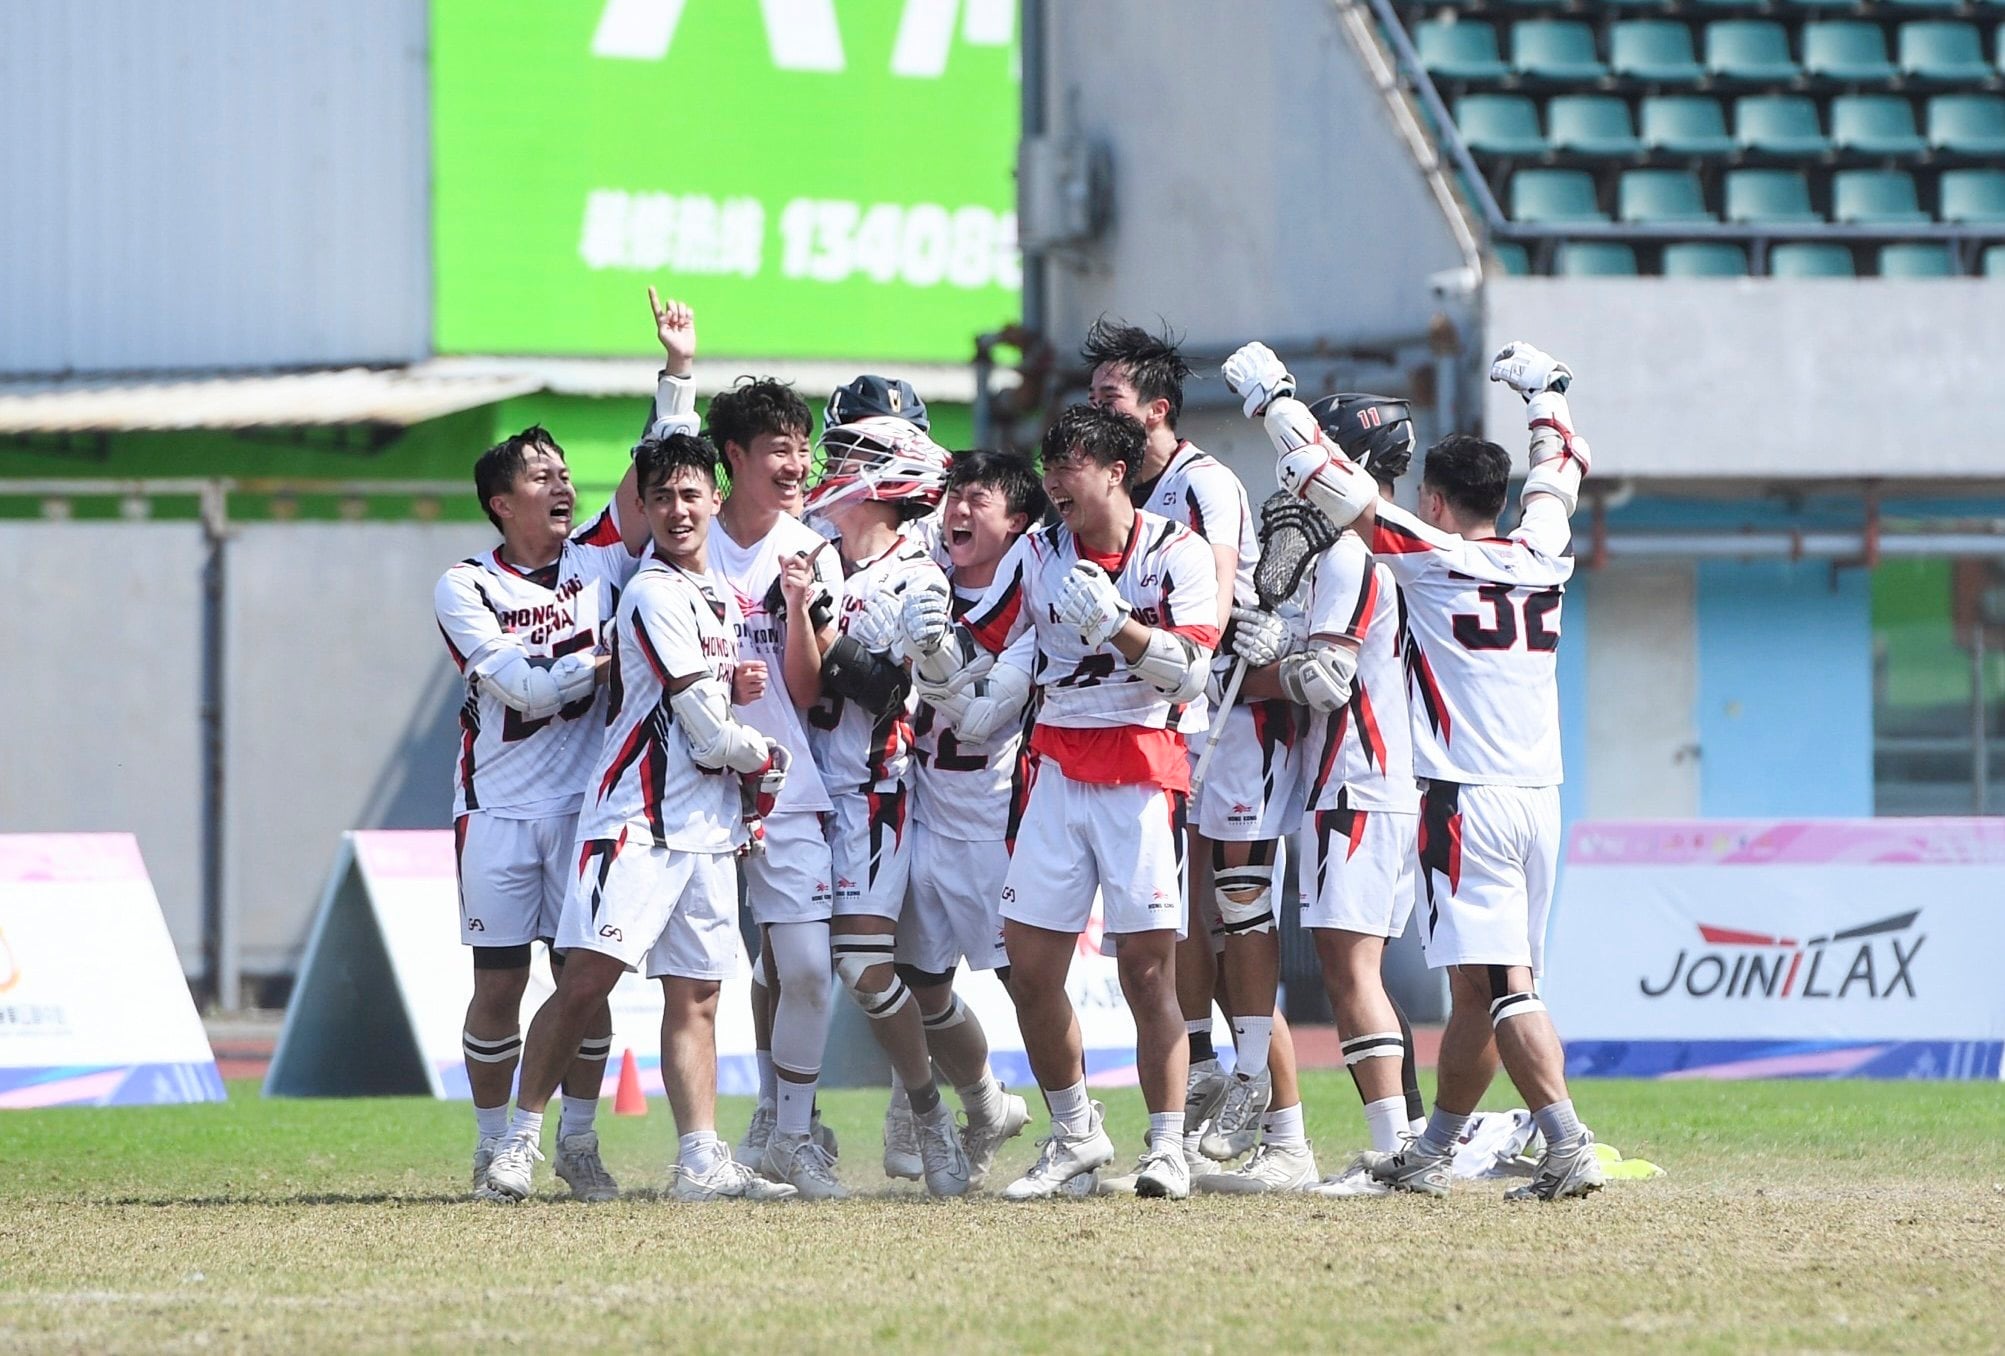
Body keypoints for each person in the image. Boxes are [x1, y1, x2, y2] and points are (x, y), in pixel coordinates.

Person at [1225, 337, 1603, 1201]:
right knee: (1477, 985)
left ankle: (1567, 1142)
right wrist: (1547, 392)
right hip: (1540, 795)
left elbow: (1332, 483)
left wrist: (1271, 401)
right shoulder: (1542, 553)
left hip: (1464, 800)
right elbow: (1563, 471)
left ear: (1435, 498)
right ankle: (1430, 1149)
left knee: (1503, 986)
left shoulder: (1434, 562)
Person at [899, 404, 1217, 1200]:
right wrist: (933, 653)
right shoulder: (1038, 549)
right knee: (1030, 970)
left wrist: (1120, 629)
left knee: (1148, 975)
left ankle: (1167, 1147)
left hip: (1142, 777)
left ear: (1116, 470)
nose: (1052, 483)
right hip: (1054, 770)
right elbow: (1002, 644)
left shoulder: (1177, 553)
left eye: (1069, 465)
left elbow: (1192, 674)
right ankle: (1075, 1132)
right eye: (1048, 467)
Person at [480, 433, 795, 1204]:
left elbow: (705, 699)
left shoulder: (717, 593)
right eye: (660, 498)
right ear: (645, 509)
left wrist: (738, 689)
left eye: (690, 494)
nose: (677, 509)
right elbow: (703, 728)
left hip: (704, 829)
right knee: (585, 981)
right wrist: (765, 757)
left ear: (716, 499)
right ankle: (518, 1144)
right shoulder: (652, 591)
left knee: (697, 996)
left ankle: (699, 1159)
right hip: (636, 822)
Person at [433, 289, 695, 1202]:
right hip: (499, 808)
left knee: (582, 985)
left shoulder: (598, 558)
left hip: (590, 807)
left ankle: (577, 1143)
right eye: (540, 475)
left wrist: (676, 374)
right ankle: (489, 1140)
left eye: (562, 473)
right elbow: (529, 688)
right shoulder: (464, 585)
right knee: (499, 983)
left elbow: (659, 470)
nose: (561, 484)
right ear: (501, 502)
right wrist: (609, 650)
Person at [1083, 318, 1303, 1177]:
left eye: (1110, 399)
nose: (1095, 414)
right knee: (1181, 912)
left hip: (1229, 716)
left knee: (1239, 902)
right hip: (1164, 720)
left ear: (1156, 409)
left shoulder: (1203, 483)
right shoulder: (1113, 493)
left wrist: (1193, 648)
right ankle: (1214, 1069)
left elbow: (1214, 599)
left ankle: (1270, 1109)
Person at [1217, 392, 1428, 1195]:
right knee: (1352, 965)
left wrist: (1240, 669)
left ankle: (1395, 1150)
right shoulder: (1380, 552)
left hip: (1358, 777)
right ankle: (1401, 1143)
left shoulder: (1350, 557)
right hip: (1363, 781)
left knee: (1350, 969)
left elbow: (1322, 679)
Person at [798, 413, 971, 1197]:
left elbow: (889, 687)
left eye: (851, 455)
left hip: (872, 786)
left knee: (867, 968)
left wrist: (820, 627)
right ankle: (785, 1123)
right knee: (786, 965)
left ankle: (931, 1113)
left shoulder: (918, 575)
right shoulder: (805, 549)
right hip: (796, 792)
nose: (833, 466)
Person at [703, 377, 847, 1199]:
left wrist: (796, 608)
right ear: (734, 458)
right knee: (695, 976)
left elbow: (807, 688)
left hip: (785, 783)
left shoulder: (811, 547)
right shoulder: (687, 537)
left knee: (806, 968)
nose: (795, 465)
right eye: (777, 450)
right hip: (691, 785)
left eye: (802, 448)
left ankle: (791, 1135)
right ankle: (675, 1143)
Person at [884, 450, 1044, 1188]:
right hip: (922, 815)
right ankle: (985, 1104)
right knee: (918, 983)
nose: (955, 512)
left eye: (976, 500)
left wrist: (934, 664)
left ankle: (1074, 1127)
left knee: (1030, 985)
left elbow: (981, 721)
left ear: (1015, 521)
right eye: (952, 497)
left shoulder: (1032, 599)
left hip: (994, 825)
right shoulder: (924, 584)